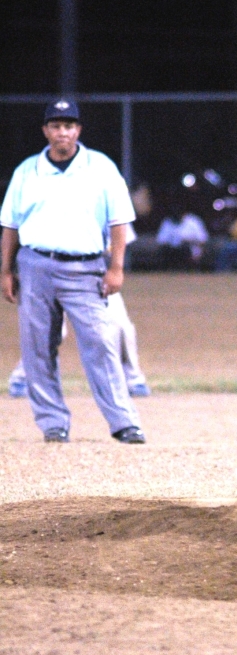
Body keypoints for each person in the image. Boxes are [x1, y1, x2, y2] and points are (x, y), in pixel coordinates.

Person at [0, 98, 146, 444]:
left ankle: (124, 422)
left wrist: (116, 268)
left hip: (85, 267)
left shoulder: (101, 167)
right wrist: (6, 270)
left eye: (68, 125)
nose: (62, 132)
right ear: (46, 131)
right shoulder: (27, 171)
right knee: (37, 348)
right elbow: (10, 225)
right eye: (55, 125)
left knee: (101, 343)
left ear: (78, 130)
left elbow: (119, 221)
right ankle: (53, 423)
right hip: (35, 266)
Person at [7, 223, 152, 399]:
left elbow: (121, 233)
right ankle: (24, 377)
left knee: (119, 324)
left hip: (95, 268)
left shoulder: (107, 196)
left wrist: (115, 266)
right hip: (52, 269)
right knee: (50, 327)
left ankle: (131, 379)